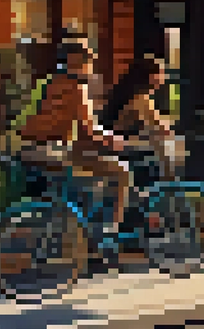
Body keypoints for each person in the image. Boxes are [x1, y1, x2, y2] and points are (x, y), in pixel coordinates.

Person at [19, 32, 131, 231]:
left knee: (88, 168)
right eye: (89, 60)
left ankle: (83, 228)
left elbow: (65, 124)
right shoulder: (77, 88)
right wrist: (114, 140)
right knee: (120, 171)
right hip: (52, 150)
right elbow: (88, 129)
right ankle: (109, 231)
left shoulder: (49, 82)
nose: (92, 66)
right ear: (79, 62)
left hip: (30, 148)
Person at [100, 54, 184, 180]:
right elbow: (162, 128)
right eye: (161, 73)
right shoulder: (141, 99)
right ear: (150, 76)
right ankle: (169, 183)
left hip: (116, 144)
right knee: (165, 142)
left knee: (161, 140)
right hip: (119, 146)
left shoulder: (129, 94)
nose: (164, 77)